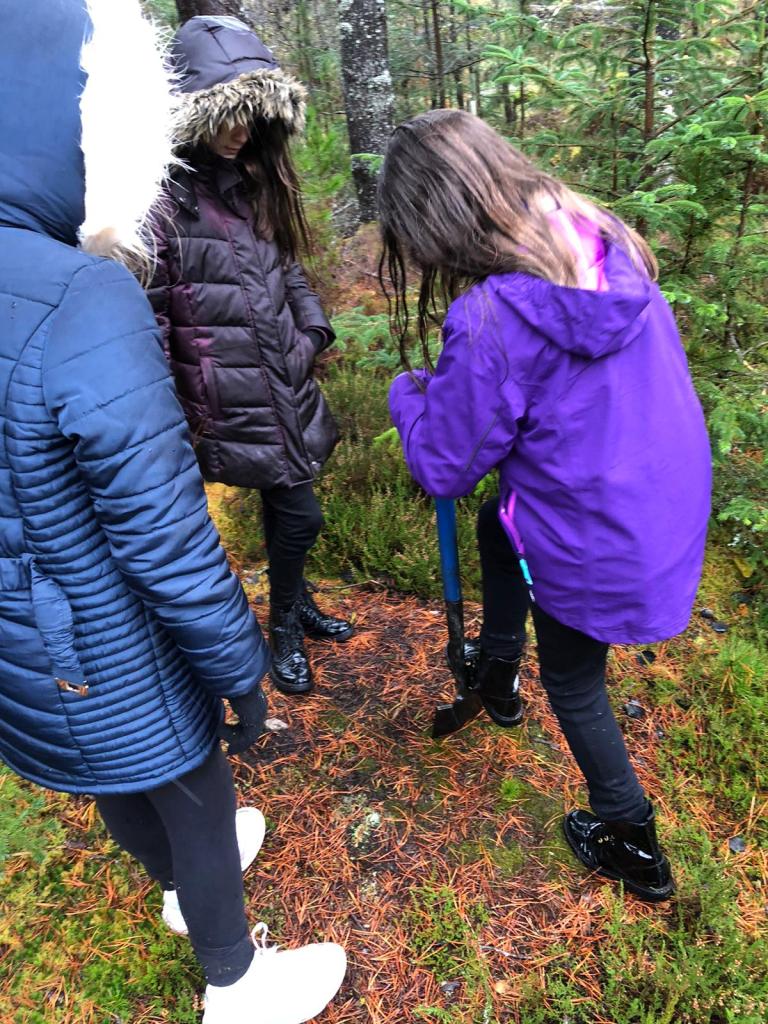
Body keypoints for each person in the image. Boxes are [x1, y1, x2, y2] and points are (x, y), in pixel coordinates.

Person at [0, 2, 346, 1022]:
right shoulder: (79, 291)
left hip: (23, 626)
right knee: (192, 775)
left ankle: (179, 886)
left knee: (108, 766)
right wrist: (239, 668)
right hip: (99, 618)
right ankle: (236, 979)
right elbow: (161, 534)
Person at [380, 110, 712, 903]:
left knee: (574, 680)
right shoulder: (600, 241)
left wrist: (408, 394)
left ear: (437, 221)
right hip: (657, 498)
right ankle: (497, 670)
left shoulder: (493, 319)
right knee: (499, 525)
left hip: (598, 534)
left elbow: (445, 465)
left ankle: (631, 840)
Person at [146, 16, 353, 699]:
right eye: (227, 116)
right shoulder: (164, 203)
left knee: (288, 504)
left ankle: (296, 604)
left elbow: (288, 270)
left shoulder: (254, 183)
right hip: (222, 396)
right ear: (193, 115)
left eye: (253, 116)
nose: (240, 132)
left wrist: (311, 335)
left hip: (282, 378)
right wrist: (177, 401)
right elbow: (152, 314)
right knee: (300, 514)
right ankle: (282, 628)